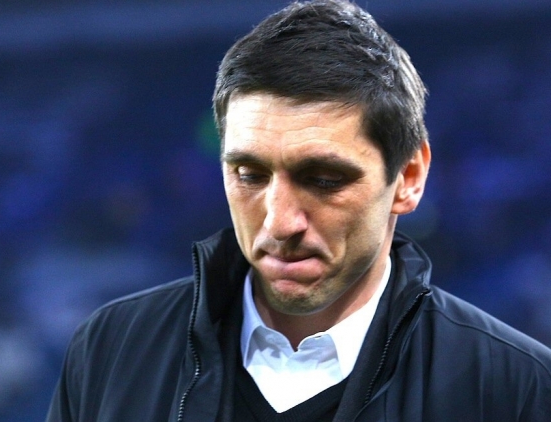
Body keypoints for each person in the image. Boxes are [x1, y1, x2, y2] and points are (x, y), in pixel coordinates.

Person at [46, 1, 551, 421]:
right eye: (249, 175)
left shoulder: (517, 387)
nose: (280, 222)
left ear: (409, 177)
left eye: (324, 180)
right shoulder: (111, 350)